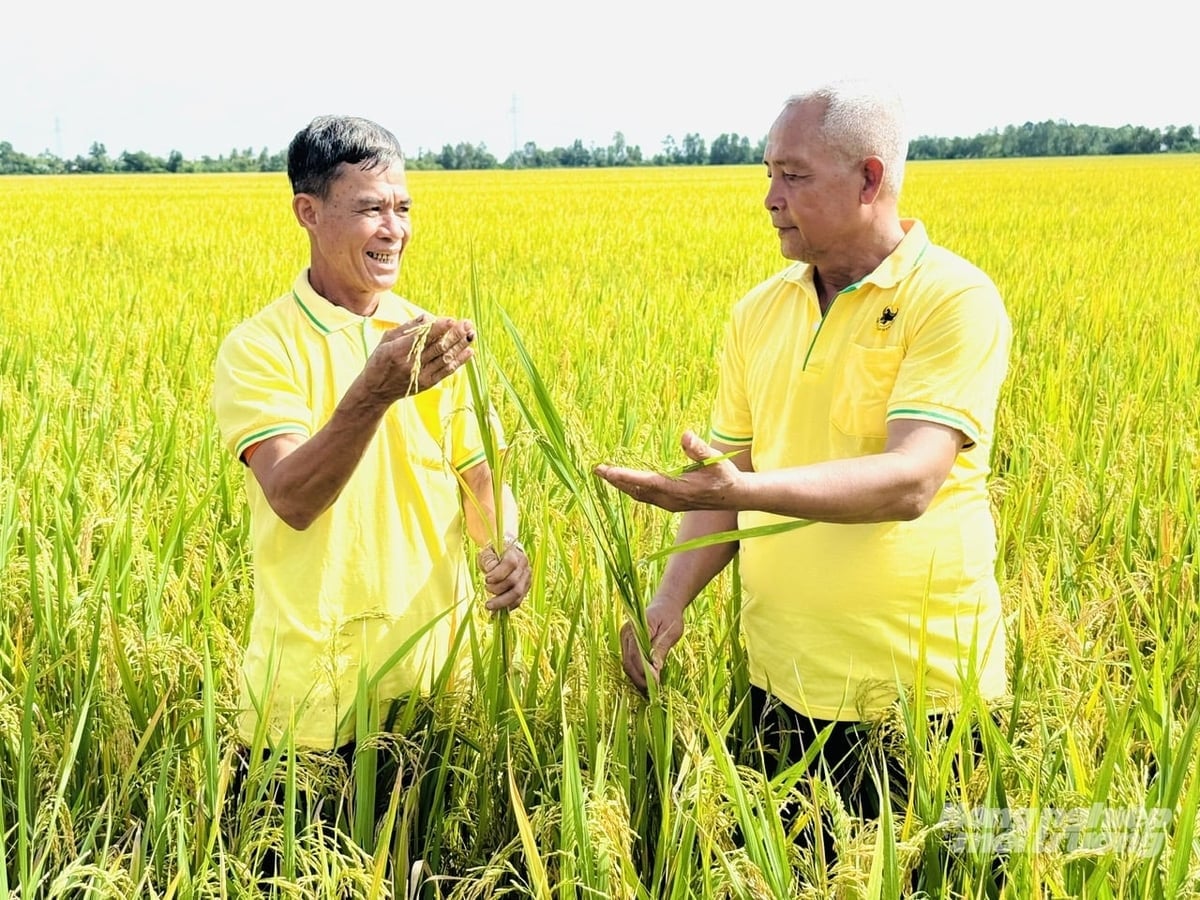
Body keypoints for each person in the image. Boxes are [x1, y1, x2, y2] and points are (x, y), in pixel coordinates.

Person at [594, 81, 1011, 856]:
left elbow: (912, 479)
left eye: (793, 175)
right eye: (767, 174)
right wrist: (670, 601)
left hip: (920, 696)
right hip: (778, 683)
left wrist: (744, 490)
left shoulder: (952, 298)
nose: (769, 198)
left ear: (869, 179)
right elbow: (731, 471)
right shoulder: (760, 310)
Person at [212, 115, 530, 780]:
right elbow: (294, 498)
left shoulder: (430, 337)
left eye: (403, 208)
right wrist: (375, 391)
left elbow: (479, 478)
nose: (394, 230)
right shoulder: (260, 348)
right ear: (308, 211)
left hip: (430, 691)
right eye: (370, 210)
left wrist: (503, 544)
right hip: (307, 705)